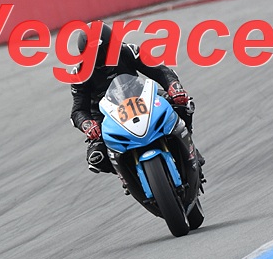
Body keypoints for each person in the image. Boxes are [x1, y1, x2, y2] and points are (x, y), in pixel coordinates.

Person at [69, 23, 203, 176]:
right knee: (97, 157)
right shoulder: (79, 74)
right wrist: (87, 124)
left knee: (182, 105)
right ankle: (127, 176)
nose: (101, 57)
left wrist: (174, 86)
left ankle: (190, 149)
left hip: (141, 98)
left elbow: (160, 71)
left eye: (105, 50)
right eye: (94, 54)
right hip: (105, 116)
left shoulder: (129, 51)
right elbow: (78, 110)